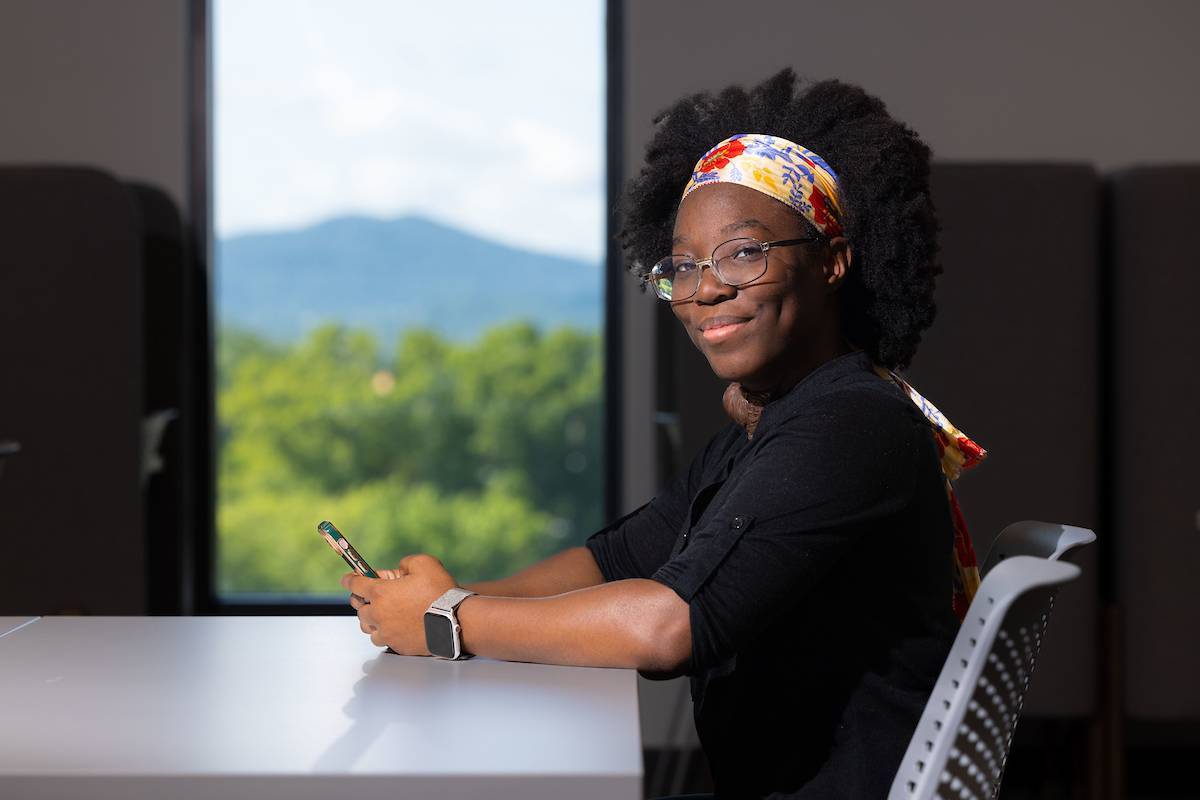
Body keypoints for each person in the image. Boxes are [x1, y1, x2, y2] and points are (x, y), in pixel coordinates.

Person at [342, 68, 986, 798]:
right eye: (681, 266)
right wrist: (453, 600)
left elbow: (668, 626)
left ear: (833, 260)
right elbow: (615, 560)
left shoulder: (850, 426)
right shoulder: (772, 424)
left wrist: (448, 621)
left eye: (744, 252)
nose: (705, 288)